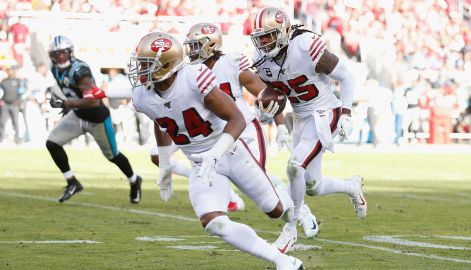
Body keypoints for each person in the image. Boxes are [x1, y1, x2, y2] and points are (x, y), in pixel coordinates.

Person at [129, 32, 303, 270]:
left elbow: (237, 119)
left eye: (146, 63)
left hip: (231, 152)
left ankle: (295, 208)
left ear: (166, 65)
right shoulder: (142, 95)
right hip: (201, 165)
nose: (140, 69)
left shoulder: (194, 77)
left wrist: (215, 153)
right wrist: (165, 162)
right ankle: (283, 260)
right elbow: (159, 119)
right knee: (214, 223)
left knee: (275, 210)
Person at [182, 22, 319, 234]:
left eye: (196, 46)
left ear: (210, 45)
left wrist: (279, 124)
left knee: (259, 177)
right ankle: (296, 212)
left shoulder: (231, 63)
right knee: (257, 185)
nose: (191, 51)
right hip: (219, 135)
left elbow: (268, 94)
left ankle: (301, 211)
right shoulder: (188, 73)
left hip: (244, 130)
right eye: (190, 46)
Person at [250, 7, 367, 253]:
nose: (263, 42)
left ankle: (291, 229)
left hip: (326, 112)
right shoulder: (262, 60)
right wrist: (273, 119)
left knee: (295, 165)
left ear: (283, 31)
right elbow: (275, 95)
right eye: (259, 37)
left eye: (268, 35)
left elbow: (347, 77)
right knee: (313, 185)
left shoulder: (305, 45)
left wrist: (346, 112)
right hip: (302, 117)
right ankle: (351, 187)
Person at [45, 35, 142, 204]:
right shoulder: (55, 68)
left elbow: (93, 100)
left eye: (63, 52)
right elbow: (73, 93)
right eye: (57, 53)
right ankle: (72, 182)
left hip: (97, 117)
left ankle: (134, 180)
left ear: (70, 52)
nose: (60, 56)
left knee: (112, 155)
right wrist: (68, 105)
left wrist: (66, 103)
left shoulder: (79, 70)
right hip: (78, 115)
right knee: (52, 143)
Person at [0, 66, 22, 144]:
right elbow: (0, 91)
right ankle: (1, 138)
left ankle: (17, 139)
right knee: (2, 121)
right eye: (8, 71)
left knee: (15, 122)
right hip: (5, 104)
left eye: (11, 71)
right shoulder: (4, 81)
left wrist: (18, 101)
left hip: (14, 104)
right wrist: (1, 100)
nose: (10, 72)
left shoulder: (18, 81)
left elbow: (21, 92)